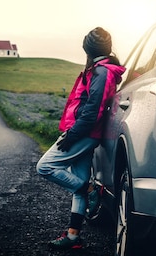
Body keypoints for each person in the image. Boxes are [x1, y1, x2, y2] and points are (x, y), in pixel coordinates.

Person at [36, 27, 126, 250]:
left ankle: (91, 190)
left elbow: (92, 111)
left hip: (84, 133)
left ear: (87, 48)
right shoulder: (97, 70)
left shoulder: (101, 72)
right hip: (82, 132)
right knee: (76, 185)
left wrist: (72, 135)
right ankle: (73, 237)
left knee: (45, 167)